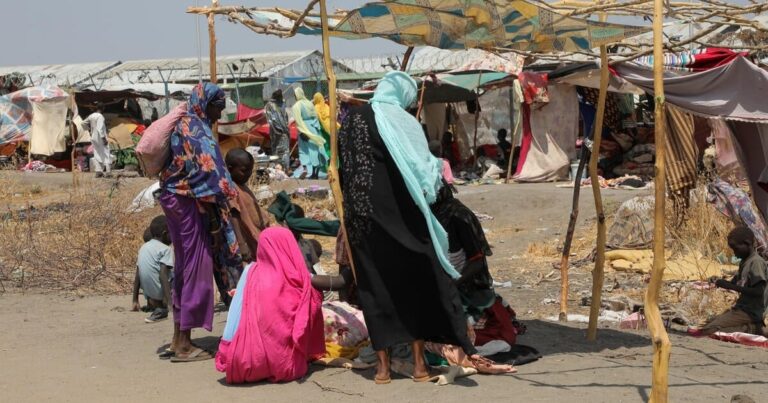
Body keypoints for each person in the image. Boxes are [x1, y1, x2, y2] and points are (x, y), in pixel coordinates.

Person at [338, 71, 484, 384]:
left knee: (374, 286)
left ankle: (382, 370)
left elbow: (344, 170)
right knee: (415, 281)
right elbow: (424, 169)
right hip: (400, 216)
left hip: (360, 219)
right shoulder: (401, 120)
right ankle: (419, 366)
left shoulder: (351, 120)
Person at [158, 82, 243, 363]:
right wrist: (217, 222)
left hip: (177, 202)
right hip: (190, 206)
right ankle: (184, 345)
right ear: (206, 104)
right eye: (218, 107)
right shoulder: (196, 130)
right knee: (197, 269)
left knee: (184, 269)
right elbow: (209, 176)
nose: (220, 114)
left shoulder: (183, 126)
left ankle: (178, 338)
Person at [216, 227, 325, 384]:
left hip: (244, 361)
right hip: (285, 365)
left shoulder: (250, 272)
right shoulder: (297, 277)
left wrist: (227, 349)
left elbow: (235, 314)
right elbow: (333, 285)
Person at [691, 227, 768, 336]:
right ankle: (753, 327)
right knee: (708, 323)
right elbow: (735, 284)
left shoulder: (756, 263)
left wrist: (730, 286)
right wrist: (719, 281)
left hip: (750, 312)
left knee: (709, 330)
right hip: (742, 309)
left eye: (735, 248)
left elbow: (759, 291)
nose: (734, 253)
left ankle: (752, 329)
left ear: (747, 243)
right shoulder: (745, 262)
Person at [225, 148, 271, 263]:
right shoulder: (231, 188)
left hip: (258, 237)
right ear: (230, 168)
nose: (249, 174)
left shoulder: (242, 185)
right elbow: (233, 214)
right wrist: (242, 244)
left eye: (251, 170)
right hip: (248, 241)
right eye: (244, 170)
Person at [131, 216, 174, 323]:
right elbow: (163, 275)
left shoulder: (143, 247)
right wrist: (170, 303)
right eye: (172, 233)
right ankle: (167, 303)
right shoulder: (166, 249)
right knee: (181, 275)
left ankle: (153, 304)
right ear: (165, 234)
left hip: (150, 295)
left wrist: (135, 300)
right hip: (161, 295)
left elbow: (138, 275)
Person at [292, 87, 327, 179]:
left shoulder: (297, 105)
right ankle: (315, 173)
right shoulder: (309, 103)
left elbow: (298, 120)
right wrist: (316, 129)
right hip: (313, 128)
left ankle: (306, 170)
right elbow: (315, 117)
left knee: (305, 151)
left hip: (304, 129)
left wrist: (302, 132)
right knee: (315, 150)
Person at [265, 90, 291, 172]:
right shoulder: (283, 104)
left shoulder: (269, 105)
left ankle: (278, 169)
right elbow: (286, 117)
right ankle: (286, 169)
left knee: (276, 150)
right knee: (285, 151)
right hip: (284, 131)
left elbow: (270, 119)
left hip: (275, 132)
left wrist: (276, 129)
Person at [84, 103, 111, 177]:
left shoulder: (91, 115)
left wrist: (89, 129)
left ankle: (98, 171)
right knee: (106, 152)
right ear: (102, 108)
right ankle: (108, 172)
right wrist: (103, 138)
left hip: (93, 137)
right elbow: (100, 128)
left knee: (97, 153)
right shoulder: (100, 116)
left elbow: (83, 123)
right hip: (100, 137)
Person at [313, 92, 338, 158]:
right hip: (331, 128)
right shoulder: (327, 106)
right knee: (332, 145)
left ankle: (328, 160)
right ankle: (335, 160)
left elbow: (316, 119)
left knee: (325, 146)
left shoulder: (315, 107)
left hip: (323, 130)